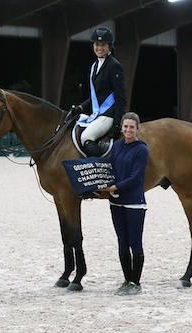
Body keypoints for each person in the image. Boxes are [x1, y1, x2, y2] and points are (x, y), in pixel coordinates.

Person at [100, 112, 149, 295]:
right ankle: (127, 280)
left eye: (132, 127)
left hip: (134, 204)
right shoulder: (117, 146)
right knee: (122, 243)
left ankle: (136, 283)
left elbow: (135, 178)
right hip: (116, 204)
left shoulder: (141, 150)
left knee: (135, 243)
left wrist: (114, 187)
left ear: (137, 129)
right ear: (121, 128)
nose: (128, 130)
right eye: (125, 126)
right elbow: (108, 168)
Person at [71, 27, 127, 156]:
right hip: (97, 113)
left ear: (109, 47)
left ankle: (100, 169)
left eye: (103, 45)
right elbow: (95, 98)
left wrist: (117, 123)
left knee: (86, 137)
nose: (99, 48)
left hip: (109, 115)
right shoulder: (94, 66)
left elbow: (121, 96)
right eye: (97, 44)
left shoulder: (114, 65)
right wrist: (80, 108)